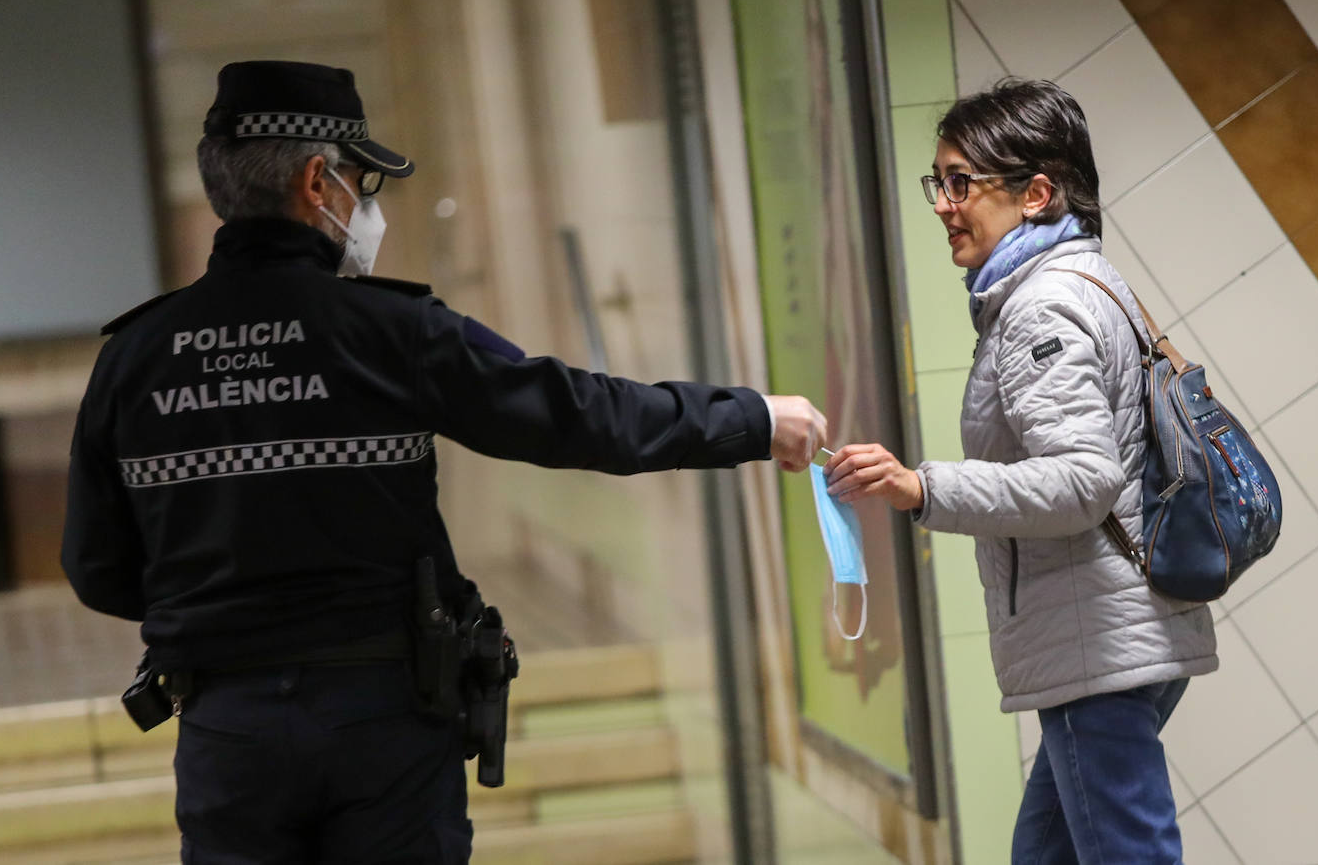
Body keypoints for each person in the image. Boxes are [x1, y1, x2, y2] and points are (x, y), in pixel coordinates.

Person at [60, 60, 828, 864]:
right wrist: (748, 418)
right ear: (318, 183)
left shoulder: (134, 357)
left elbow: (97, 567)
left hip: (226, 729)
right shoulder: (395, 331)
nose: (369, 205)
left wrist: (227, 608)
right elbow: (574, 415)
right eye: (364, 181)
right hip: (382, 724)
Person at [823, 78, 1216, 863]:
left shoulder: (1041, 307)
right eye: (940, 181)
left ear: (1036, 193)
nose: (943, 204)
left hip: (1094, 646)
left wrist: (921, 486)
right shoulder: (1087, 284)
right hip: (1113, 635)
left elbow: (1081, 480)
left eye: (961, 182)